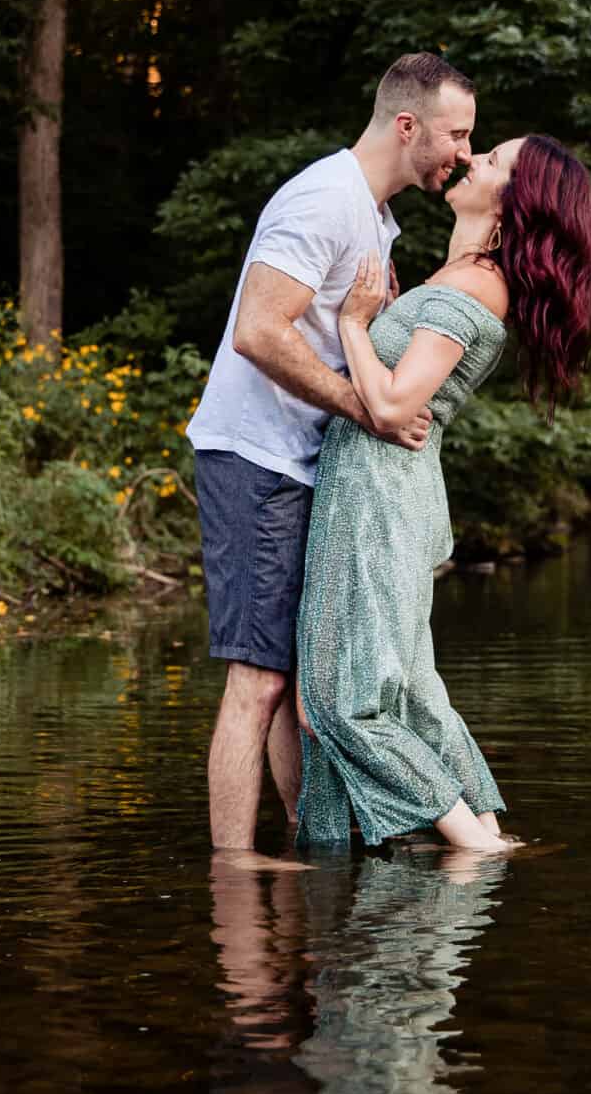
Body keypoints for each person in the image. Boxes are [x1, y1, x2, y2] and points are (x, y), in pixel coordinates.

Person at [192, 54, 476, 852]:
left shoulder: (376, 219)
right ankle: (237, 872)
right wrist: (364, 408)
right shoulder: (323, 199)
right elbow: (257, 331)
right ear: (408, 124)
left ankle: (303, 849)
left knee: (300, 682)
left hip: (303, 463)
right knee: (259, 680)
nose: (461, 153)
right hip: (256, 459)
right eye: (457, 135)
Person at [293, 135, 591, 853]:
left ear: (513, 201)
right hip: (387, 492)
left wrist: (352, 323)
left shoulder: (475, 286)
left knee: (337, 702)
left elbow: (394, 405)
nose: (473, 161)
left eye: (492, 161)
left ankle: (476, 846)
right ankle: (463, 833)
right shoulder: (460, 275)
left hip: (374, 493)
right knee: (407, 691)